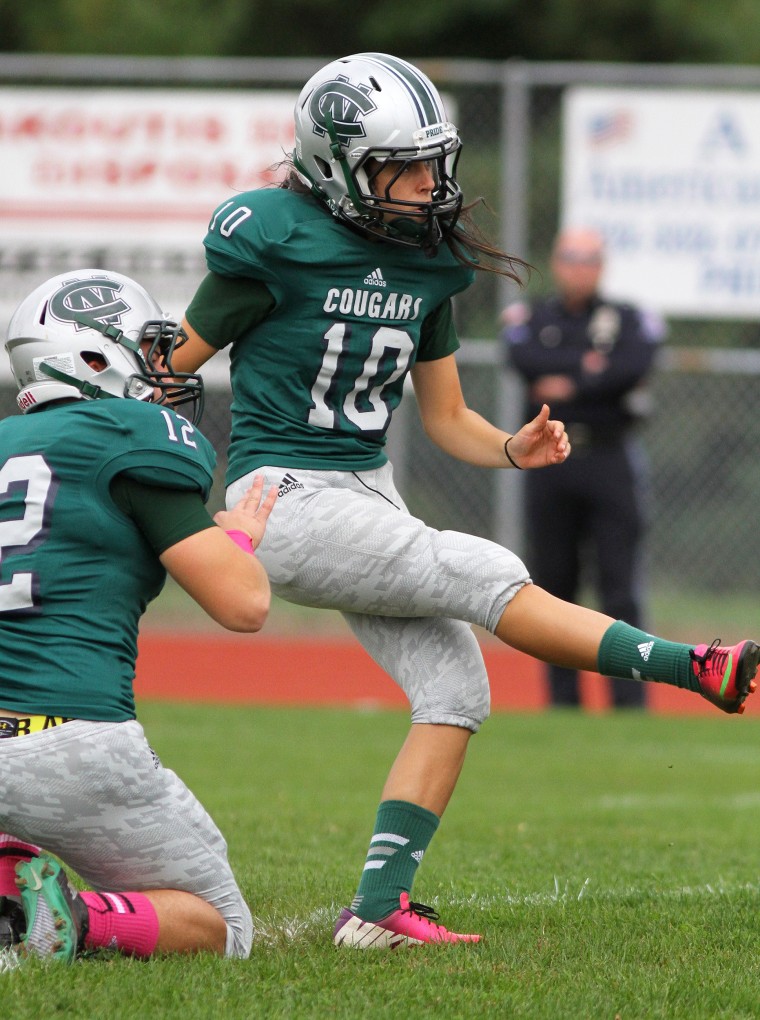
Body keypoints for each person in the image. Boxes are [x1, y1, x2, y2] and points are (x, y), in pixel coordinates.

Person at [169, 52, 760, 948]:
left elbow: (447, 416)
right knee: (484, 566)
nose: (426, 185)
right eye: (399, 167)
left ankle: (376, 912)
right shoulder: (271, 237)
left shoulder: (430, 261)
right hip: (282, 497)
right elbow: (172, 368)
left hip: (370, 492)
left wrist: (513, 449)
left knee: (454, 686)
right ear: (336, 166)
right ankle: (693, 667)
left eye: (431, 163)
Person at [0, 268, 277, 964]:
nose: (165, 370)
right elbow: (244, 604)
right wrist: (237, 538)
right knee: (223, 928)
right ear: (92, 359)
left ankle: (7, 878)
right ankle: (68, 917)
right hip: (68, 738)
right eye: (150, 351)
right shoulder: (132, 433)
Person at [503, 226, 666, 709]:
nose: (580, 267)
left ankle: (629, 702)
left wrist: (570, 383)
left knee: (619, 586)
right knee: (554, 587)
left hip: (609, 458)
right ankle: (563, 703)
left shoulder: (629, 318)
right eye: (571, 257)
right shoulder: (530, 315)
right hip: (552, 461)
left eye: (590, 258)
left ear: (603, 265)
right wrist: (590, 370)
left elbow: (631, 366)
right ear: (556, 262)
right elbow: (524, 358)